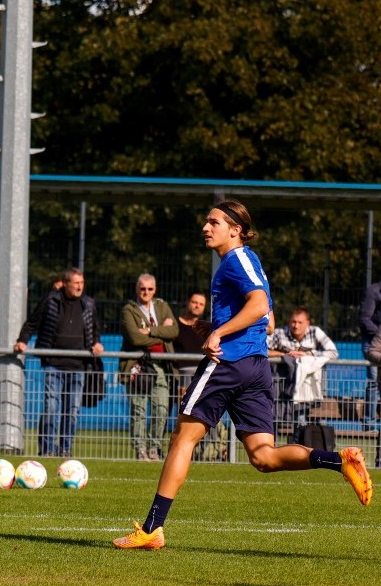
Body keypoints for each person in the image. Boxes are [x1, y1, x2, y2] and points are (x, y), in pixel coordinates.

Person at [114, 199, 373, 550]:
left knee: (182, 439)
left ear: (235, 230)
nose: (206, 228)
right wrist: (218, 324)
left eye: (214, 222)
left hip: (228, 363)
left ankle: (152, 529)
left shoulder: (236, 259)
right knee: (263, 457)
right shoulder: (245, 261)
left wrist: (219, 333)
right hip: (255, 366)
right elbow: (259, 314)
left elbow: (260, 307)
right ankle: (338, 460)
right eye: (207, 222)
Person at [15, 267, 104, 457]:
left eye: (82, 283)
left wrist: (97, 343)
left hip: (78, 365)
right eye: (76, 283)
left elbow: (95, 328)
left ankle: (65, 450)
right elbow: (32, 323)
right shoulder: (51, 300)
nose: (80, 286)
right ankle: (46, 450)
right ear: (65, 284)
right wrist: (22, 340)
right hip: (53, 364)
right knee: (51, 408)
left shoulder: (88, 304)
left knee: (71, 410)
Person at [120, 273, 178, 461]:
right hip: (137, 365)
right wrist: (162, 333)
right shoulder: (129, 310)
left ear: (155, 290)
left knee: (161, 409)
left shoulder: (162, 306)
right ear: (137, 289)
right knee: (138, 410)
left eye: (150, 289)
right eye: (142, 288)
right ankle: (140, 450)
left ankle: (154, 449)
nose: (146, 292)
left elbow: (174, 331)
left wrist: (151, 330)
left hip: (161, 366)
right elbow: (135, 337)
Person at [268, 307, 339, 434]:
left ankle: (300, 451)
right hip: (280, 388)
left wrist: (308, 354)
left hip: (305, 390)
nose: (296, 326)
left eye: (300, 322)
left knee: (300, 423)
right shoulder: (279, 333)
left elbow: (333, 352)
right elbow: (262, 350)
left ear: (307, 323)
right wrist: (285, 355)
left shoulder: (315, 332)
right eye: (293, 322)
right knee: (272, 420)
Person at [175, 291, 226, 461]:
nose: (197, 305)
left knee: (208, 416)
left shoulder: (208, 330)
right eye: (194, 302)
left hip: (205, 375)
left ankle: (215, 450)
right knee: (185, 419)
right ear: (188, 303)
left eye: (201, 303)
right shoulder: (176, 326)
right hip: (180, 377)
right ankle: (183, 453)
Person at [358, 280, 381, 432]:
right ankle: (369, 425)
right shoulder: (374, 291)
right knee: (373, 382)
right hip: (373, 343)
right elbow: (364, 318)